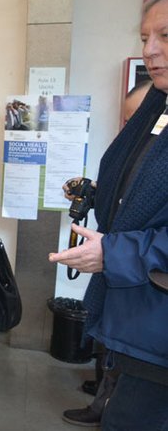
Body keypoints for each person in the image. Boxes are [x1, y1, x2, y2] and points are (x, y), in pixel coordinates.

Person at [49, 0, 168, 429]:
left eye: (165, 36)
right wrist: (100, 194)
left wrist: (113, 252)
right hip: (141, 322)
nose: (149, 50)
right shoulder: (158, 110)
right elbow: (145, 198)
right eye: (144, 37)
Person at [61, 75, 153, 428]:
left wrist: (113, 252)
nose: (130, 126)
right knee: (109, 342)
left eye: (136, 117)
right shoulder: (137, 149)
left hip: (142, 279)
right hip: (119, 269)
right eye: (127, 119)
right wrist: (95, 192)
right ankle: (103, 397)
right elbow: (129, 201)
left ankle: (105, 403)